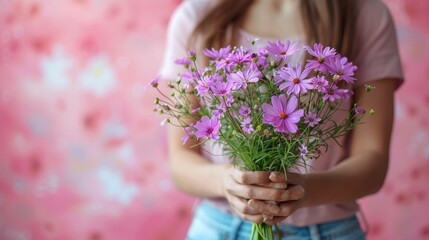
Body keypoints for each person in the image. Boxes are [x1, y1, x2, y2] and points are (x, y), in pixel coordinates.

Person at [161, 0, 403, 239]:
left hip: (325, 231)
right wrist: (228, 182)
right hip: (218, 228)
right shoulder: (197, 16)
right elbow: (180, 161)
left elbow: (373, 161)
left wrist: (303, 191)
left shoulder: (366, 15)